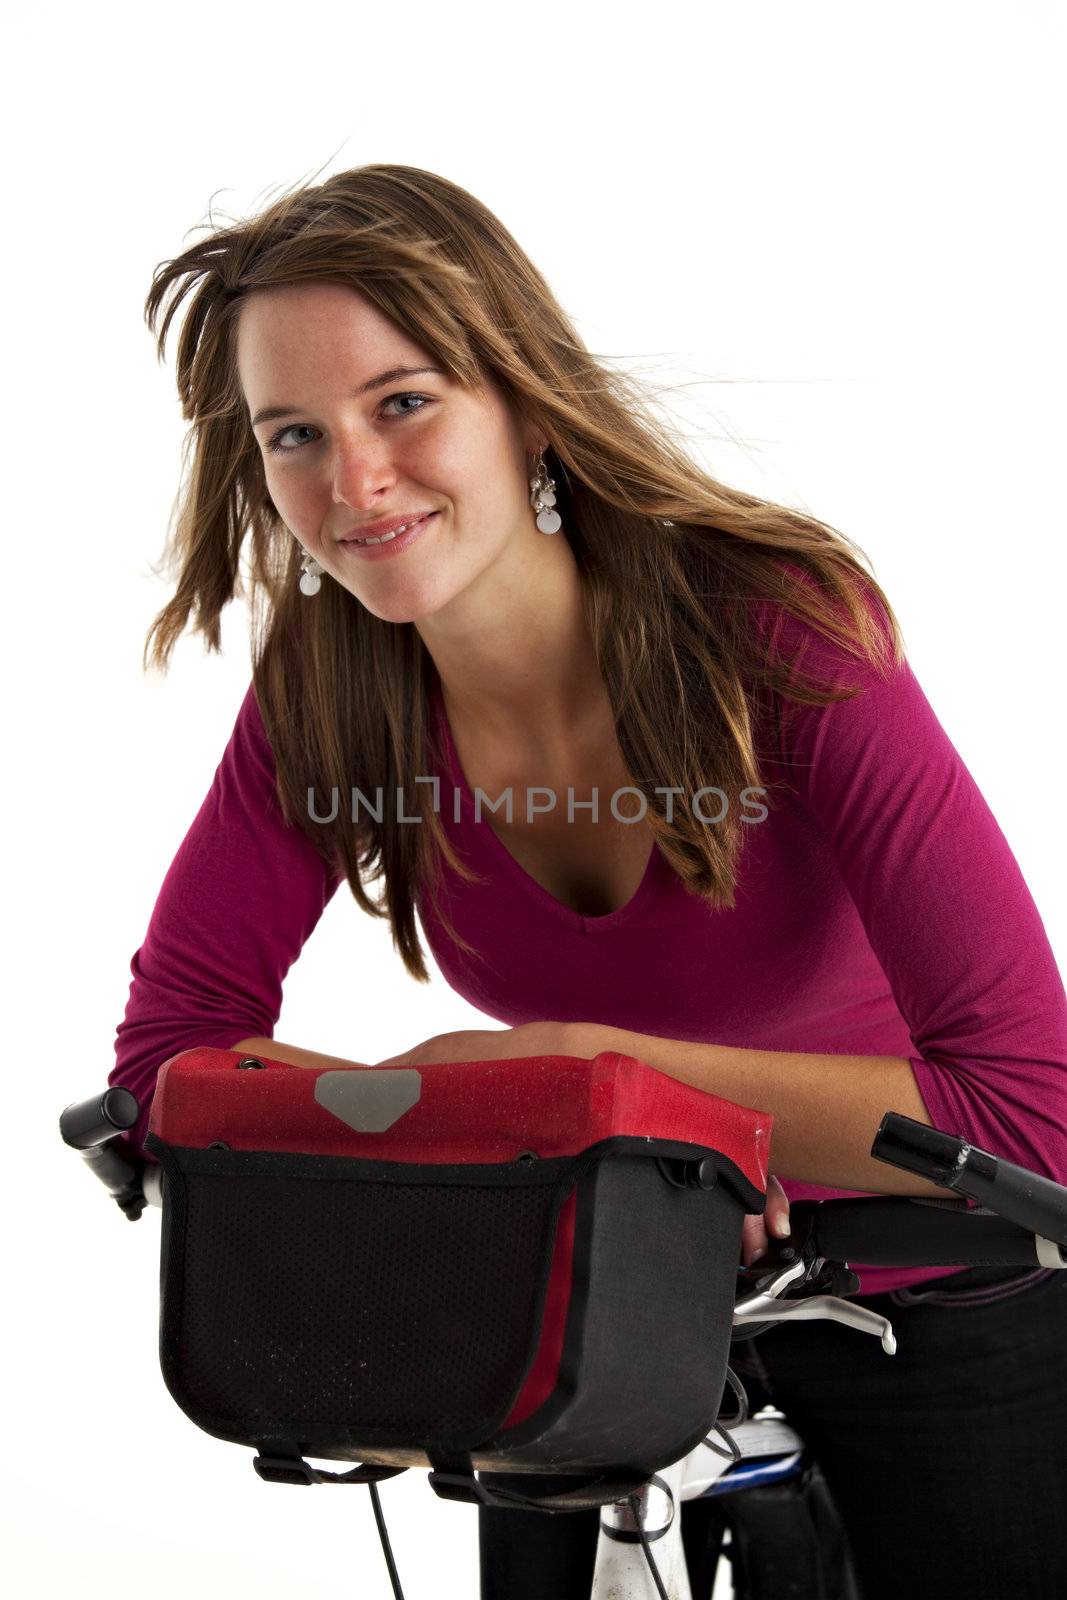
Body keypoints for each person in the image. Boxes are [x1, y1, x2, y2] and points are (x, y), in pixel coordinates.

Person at [110, 163, 1067, 1600]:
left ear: (527, 401)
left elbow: (1031, 1111)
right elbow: (168, 1052)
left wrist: (591, 1082)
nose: (351, 481)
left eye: (405, 401)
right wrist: (539, 1138)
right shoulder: (327, 694)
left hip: (928, 1302)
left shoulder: (774, 634)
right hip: (585, 1310)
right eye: (292, 434)